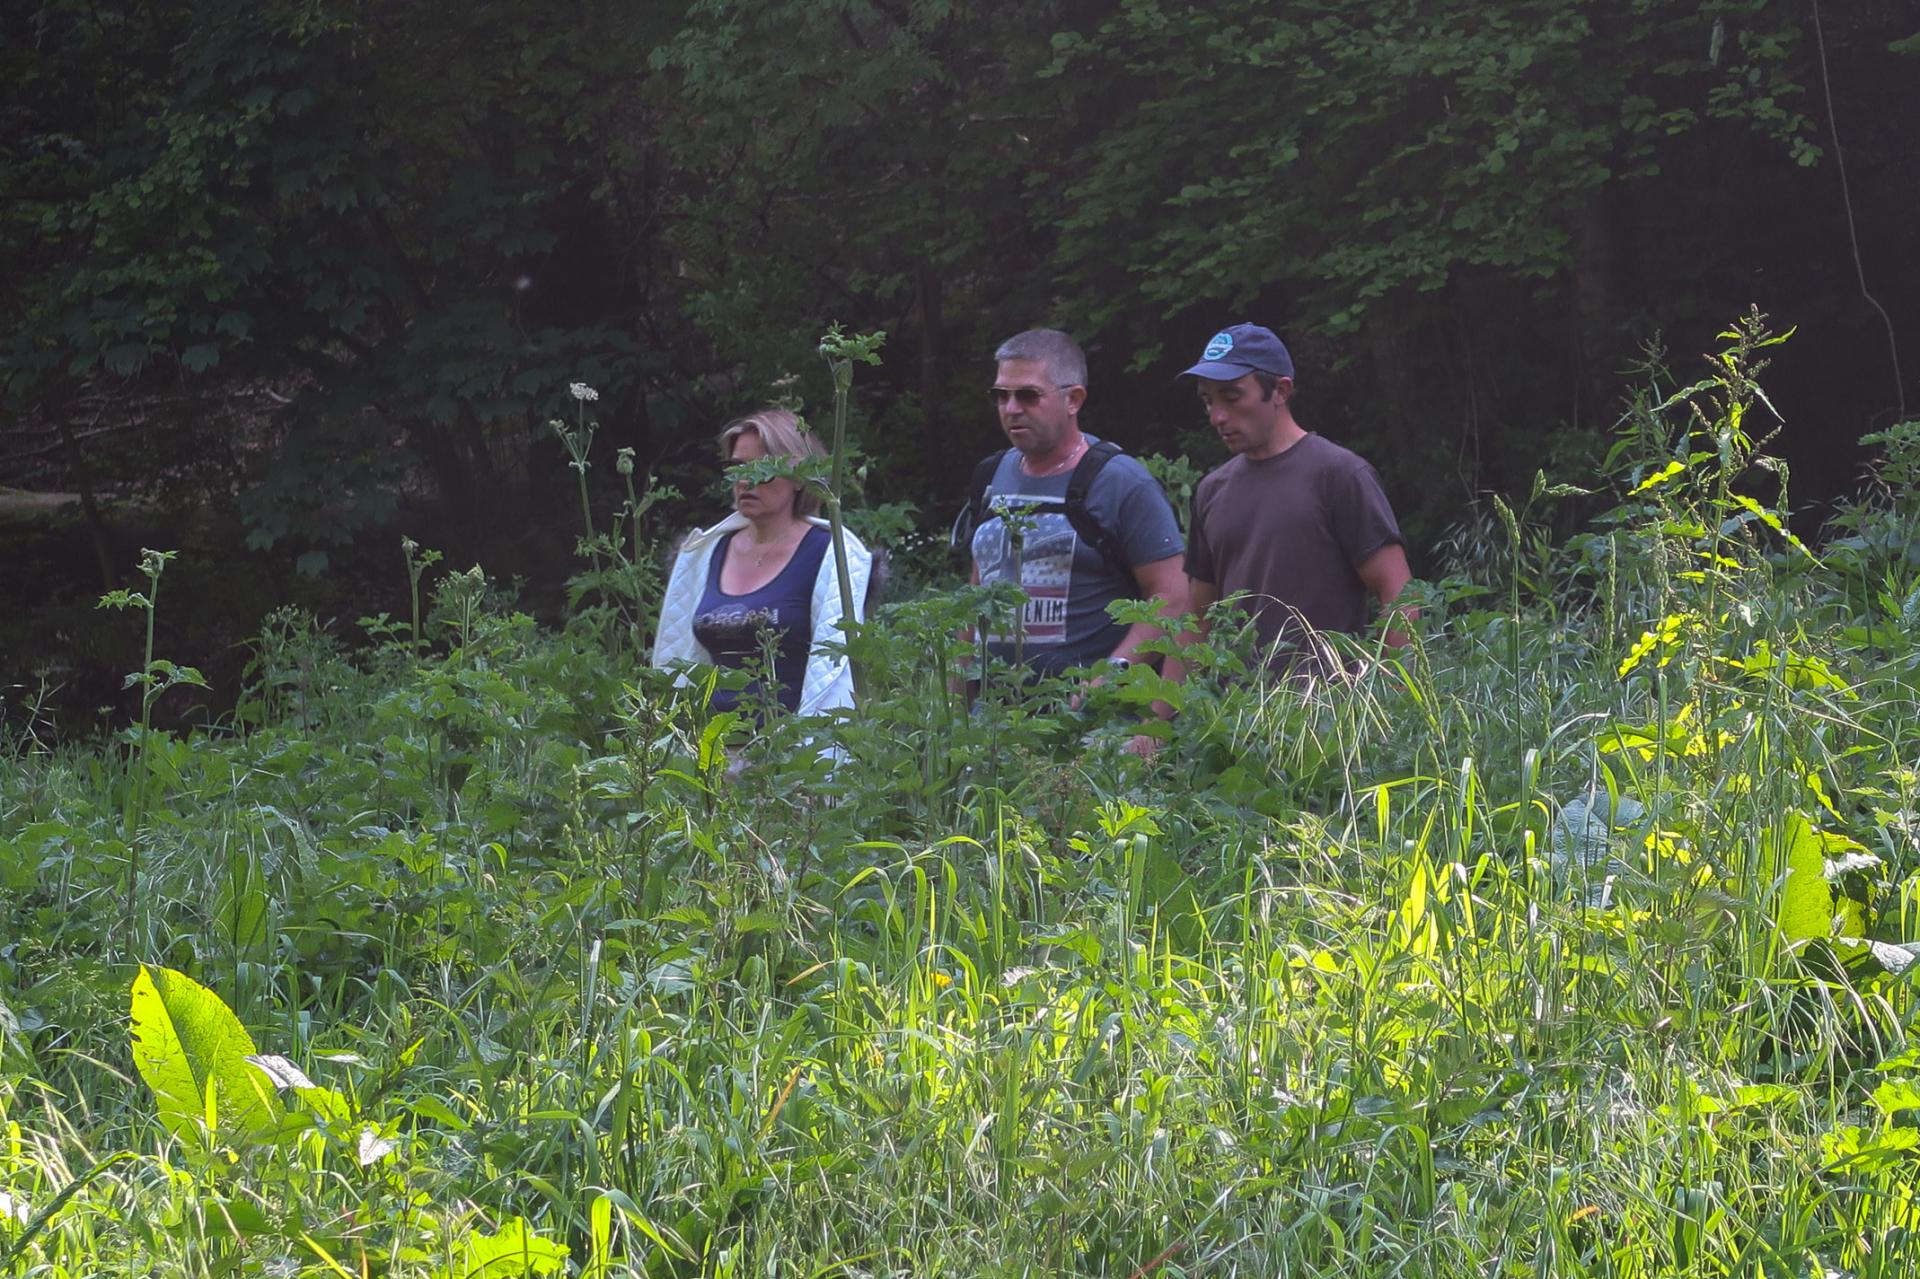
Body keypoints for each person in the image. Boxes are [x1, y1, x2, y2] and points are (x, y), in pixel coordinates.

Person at [1175, 323, 1413, 674]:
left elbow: (1399, 593)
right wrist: (1158, 723)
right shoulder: (1212, 490)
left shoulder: (1339, 475)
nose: (1216, 417)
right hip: (1235, 720)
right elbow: (1196, 620)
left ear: (1280, 390)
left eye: (1231, 396)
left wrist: (1400, 701)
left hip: (1329, 716)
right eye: (1208, 401)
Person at [960, 327, 1188, 685]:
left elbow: (1173, 596)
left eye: (1028, 395)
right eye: (1000, 396)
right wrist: (955, 708)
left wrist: (1108, 681)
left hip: (1088, 725)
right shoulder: (990, 476)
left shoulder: (1119, 483)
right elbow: (976, 594)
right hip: (993, 724)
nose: (1011, 408)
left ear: (1074, 400)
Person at [653, 408, 872, 717]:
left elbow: (835, 676)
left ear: (800, 477)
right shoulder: (704, 553)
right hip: (707, 750)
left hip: (791, 751)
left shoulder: (830, 553)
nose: (745, 480)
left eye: (762, 468)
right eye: (737, 467)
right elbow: (681, 662)